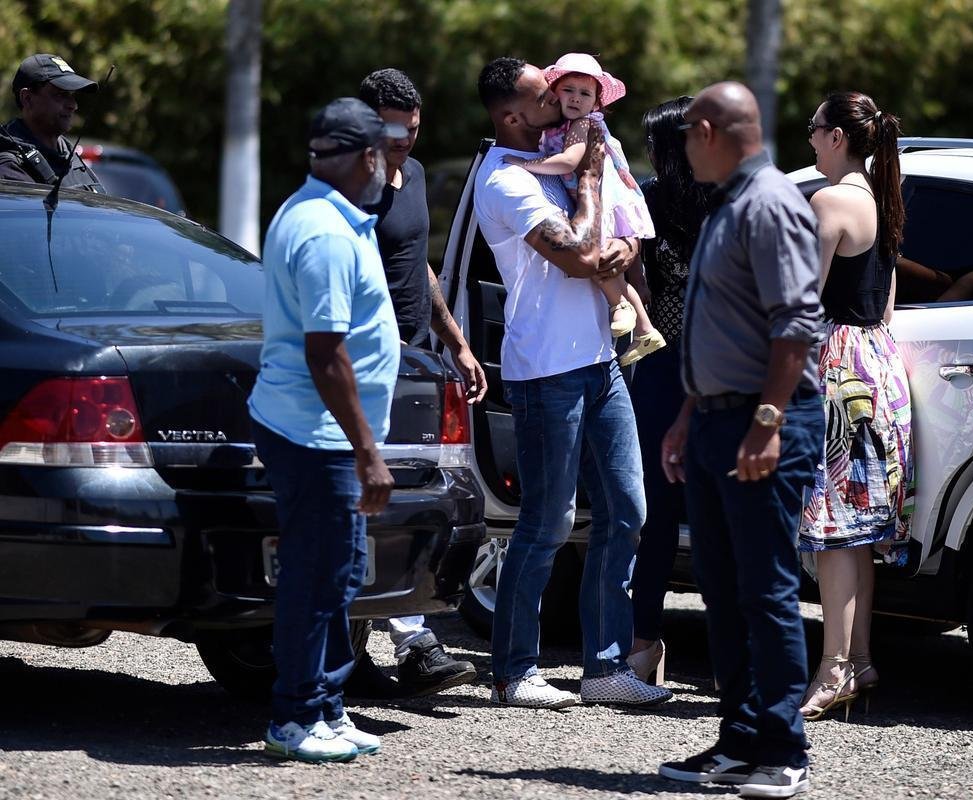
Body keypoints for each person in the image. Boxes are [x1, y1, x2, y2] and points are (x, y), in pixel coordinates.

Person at [473, 56, 671, 709]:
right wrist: (587, 185)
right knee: (547, 522)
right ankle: (513, 671)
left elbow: (615, 236)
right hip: (545, 371)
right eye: (543, 96)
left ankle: (604, 669)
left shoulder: (564, 153)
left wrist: (624, 246)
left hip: (600, 360)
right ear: (511, 116)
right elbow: (580, 253)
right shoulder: (507, 179)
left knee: (627, 510)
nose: (559, 102)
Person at [657, 82, 824, 799]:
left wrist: (766, 423)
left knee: (766, 590)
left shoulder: (770, 203)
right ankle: (740, 739)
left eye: (685, 139)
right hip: (715, 421)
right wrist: (688, 416)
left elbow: (796, 324)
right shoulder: (730, 202)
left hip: (761, 423)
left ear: (706, 131)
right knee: (723, 593)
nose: (682, 153)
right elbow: (725, 328)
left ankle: (784, 750)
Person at [248, 97, 407, 762]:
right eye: (384, 153)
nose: (389, 166)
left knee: (336, 575)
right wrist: (367, 450)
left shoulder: (327, 215)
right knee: (318, 577)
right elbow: (325, 353)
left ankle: (326, 708)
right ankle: (294, 717)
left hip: (321, 430)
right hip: (318, 436)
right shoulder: (326, 234)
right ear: (366, 157)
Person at [350, 67, 483, 698]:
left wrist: (456, 342)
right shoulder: (348, 188)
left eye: (412, 128)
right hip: (359, 364)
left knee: (403, 497)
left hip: (414, 363)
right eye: (391, 128)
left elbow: (415, 265)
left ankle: (391, 645)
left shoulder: (418, 175)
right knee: (366, 498)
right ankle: (401, 643)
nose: (403, 139)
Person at [798, 91, 914, 721]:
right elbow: (886, 306)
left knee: (833, 533)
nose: (810, 139)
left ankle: (833, 669)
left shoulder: (830, 201)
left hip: (837, 367)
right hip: (878, 365)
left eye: (815, 129)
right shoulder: (883, 198)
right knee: (859, 531)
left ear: (838, 137)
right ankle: (860, 659)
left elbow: (803, 301)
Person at [626, 96, 713, 685]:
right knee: (679, 511)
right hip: (692, 363)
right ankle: (656, 640)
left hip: (686, 365)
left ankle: (656, 643)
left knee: (680, 512)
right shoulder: (655, 199)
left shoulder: (659, 198)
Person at [503, 53, 665, 367]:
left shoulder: (581, 125)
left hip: (601, 200)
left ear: (596, 104)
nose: (576, 98)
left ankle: (619, 306)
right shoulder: (562, 127)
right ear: (554, 93)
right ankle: (645, 329)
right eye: (568, 90)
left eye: (585, 94)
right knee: (608, 259)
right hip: (596, 199)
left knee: (596, 256)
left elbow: (568, 162)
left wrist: (525, 164)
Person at [0, 53, 104, 191]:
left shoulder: (71, 160)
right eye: (61, 94)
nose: (73, 105)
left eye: (72, 95)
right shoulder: (9, 168)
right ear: (27, 99)